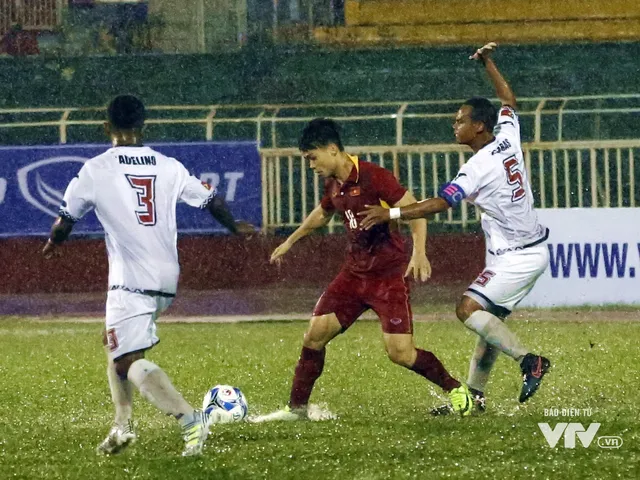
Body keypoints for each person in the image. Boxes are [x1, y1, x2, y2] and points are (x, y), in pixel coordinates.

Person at [42, 94, 253, 456]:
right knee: (115, 344)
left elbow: (66, 222)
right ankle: (122, 426)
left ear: (106, 126)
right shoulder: (168, 165)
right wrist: (234, 227)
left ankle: (190, 418)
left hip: (130, 278)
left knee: (127, 360)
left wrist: (53, 241)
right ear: (144, 126)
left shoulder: (96, 169)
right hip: (166, 276)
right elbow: (212, 200)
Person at [359, 43, 551, 413]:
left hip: (519, 255)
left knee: (467, 309)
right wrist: (488, 63)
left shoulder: (477, 167)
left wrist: (392, 215)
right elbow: (508, 99)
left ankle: (531, 361)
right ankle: (475, 397)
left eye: (460, 120)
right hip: (518, 250)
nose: (455, 125)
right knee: (488, 324)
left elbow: (440, 204)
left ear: (478, 126)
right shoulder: (507, 137)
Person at [255, 118, 473, 422]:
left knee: (400, 353)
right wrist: (291, 240)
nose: (311, 166)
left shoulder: (374, 177)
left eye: (312, 158)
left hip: (387, 278)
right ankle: (297, 409)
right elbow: (323, 212)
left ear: (332, 150)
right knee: (314, 336)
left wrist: (419, 252)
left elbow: (416, 210)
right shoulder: (333, 182)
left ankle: (455, 389)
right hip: (353, 275)